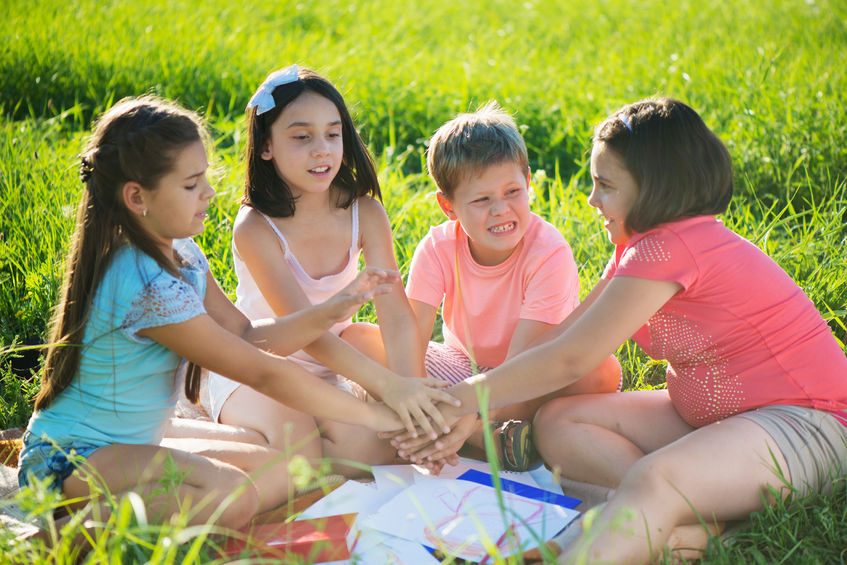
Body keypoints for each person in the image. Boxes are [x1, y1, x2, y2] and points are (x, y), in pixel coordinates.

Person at [392, 97, 847, 563]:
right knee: (558, 421)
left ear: (651, 188)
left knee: (656, 479)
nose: (592, 200)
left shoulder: (673, 246)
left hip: (807, 424)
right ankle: (689, 522)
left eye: (605, 185)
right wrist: (463, 410)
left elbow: (571, 359)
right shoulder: (638, 249)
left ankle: (640, 523)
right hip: (713, 420)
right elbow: (562, 336)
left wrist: (458, 402)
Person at [16, 95, 418, 532]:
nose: (208, 192)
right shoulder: (145, 284)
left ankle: (133, 500)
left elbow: (245, 332)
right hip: (69, 458)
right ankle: (57, 531)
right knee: (234, 495)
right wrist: (377, 414)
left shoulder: (182, 254)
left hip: (129, 442)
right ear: (137, 197)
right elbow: (262, 371)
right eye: (191, 185)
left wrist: (334, 309)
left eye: (204, 178)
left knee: (281, 467)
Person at [207, 65, 454, 479]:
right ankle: (245, 436)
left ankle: (466, 429)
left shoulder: (364, 211)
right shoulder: (256, 226)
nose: (322, 149)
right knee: (303, 460)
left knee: (370, 455)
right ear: (266, 146)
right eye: (301, 137)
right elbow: (307, 330)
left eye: (333, 133)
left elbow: (394, 313)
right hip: (262, 362)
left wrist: (411, 391)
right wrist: (388, 389)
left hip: (334, 363)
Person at [401, 101, 620, 471]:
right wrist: (411, 393)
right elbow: (411, 338)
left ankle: (463, 432)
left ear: (529, 181)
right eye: (482, 200)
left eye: (512, 192)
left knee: (601, 371)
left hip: (532, 373)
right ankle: (487, 436)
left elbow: (524, 363)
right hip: (463, 368)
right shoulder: (438, 247)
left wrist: (460, 411)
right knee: (362, 338)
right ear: (448, 206)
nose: (501, 209)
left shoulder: (548, 252)